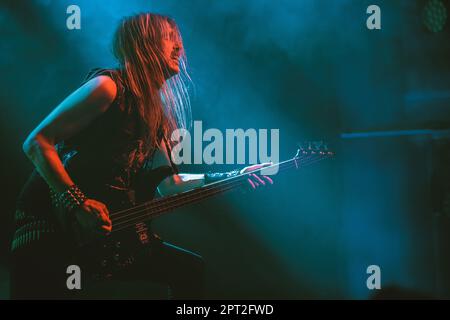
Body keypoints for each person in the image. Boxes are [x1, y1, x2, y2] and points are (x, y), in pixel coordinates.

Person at [10, 13, 273, 299]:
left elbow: (170, 183)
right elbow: (37, 142)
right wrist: (78, 203)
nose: (179, 49)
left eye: (180, 42)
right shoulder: (108, 87)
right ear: (143, 43)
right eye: (169, 39)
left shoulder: (156, 115)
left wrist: (234, 177)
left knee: (188, 270)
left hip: (94, 230)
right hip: (50, 224)